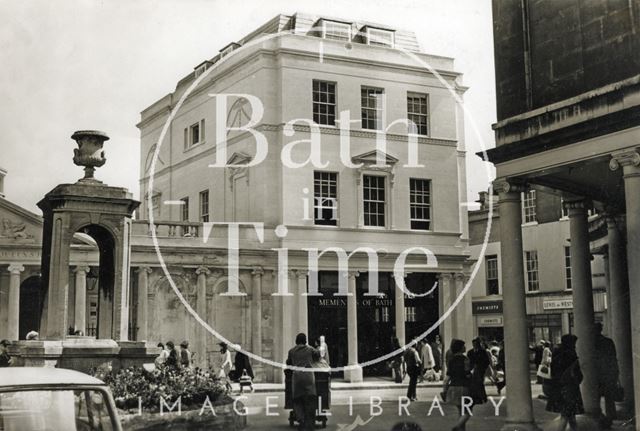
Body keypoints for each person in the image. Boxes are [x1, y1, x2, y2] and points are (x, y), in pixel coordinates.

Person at [546, 334, 583, 431]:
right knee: (567, 413)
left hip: (558, 386)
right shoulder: (570, 353)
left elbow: (552, 370)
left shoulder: (556, 352)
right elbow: (577, 372)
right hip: (570, 386)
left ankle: (574, 429)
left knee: (568, 413)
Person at [286, 333, 318, 431]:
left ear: (296, 340)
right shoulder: (310, 349)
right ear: (305, 341)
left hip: (297, 377)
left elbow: (288, 363)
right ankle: (310, 422)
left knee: (297, 400)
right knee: (310, 399)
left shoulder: (291, 351)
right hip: (308, 377)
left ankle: (301, 420)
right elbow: (317, 356)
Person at [594, 322, 619, 429]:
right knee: (609, 398)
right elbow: (613, 358)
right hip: (608, 374)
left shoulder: (590, 342)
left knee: (596, 397)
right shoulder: (608, 342)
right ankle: (609, 418)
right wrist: (616, 373)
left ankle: (599, 418)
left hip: (596, 375)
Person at [446, 339, 472, 431]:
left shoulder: (451, 360)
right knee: (468, 412)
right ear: (460, 348)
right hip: (463, 387)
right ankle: (457, 427)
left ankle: (461, 429)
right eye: (463, 346)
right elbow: (467, 373)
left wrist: (444, 390)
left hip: (453, 387)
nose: (465, 347)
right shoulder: (465, 359)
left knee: (461, 411)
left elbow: (447, 378)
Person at [467, 338, 490, 406]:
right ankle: (477, 398)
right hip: (472, 370)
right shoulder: (470, 352)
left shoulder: (482, 352)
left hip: (480, 370)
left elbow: (486, 361)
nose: (475, 345)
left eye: (476, 344)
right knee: (474, 384)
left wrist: (482, 368)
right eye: (474, 344)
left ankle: (482, 397)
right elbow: (468, 361)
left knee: (479, 383)